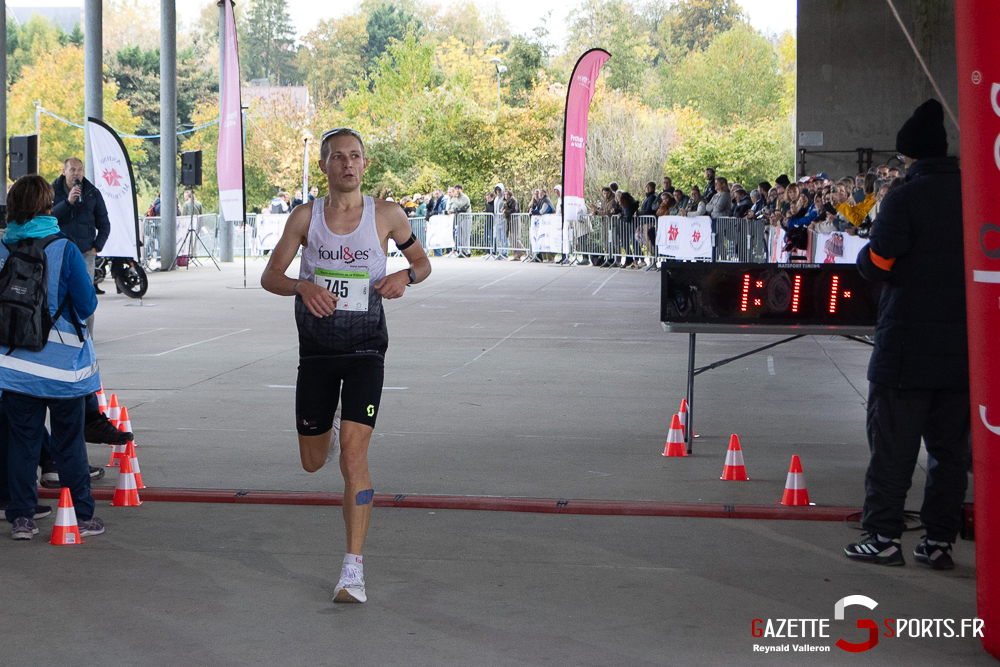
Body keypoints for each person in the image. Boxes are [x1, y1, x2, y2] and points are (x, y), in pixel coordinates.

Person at [261, 128, 431, 602]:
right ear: (324, 166)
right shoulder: (304, 218)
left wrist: (404, 275)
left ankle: (352, 569)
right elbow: (270, 275)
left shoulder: (388, 215)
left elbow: (422, 263)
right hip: (316, 351)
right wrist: (302, 287)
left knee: (355, 459)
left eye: (356, 156)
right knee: (314, 463)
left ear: (365, 164)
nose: (348, 164)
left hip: (365, 350)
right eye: (338, 157)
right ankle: (327, 432)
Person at [845, 99, 969, 570]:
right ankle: (939, 542)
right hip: (960, 353)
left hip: (905, 350)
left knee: (893, 450)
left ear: (909, 156)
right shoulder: (974, 193)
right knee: (949, 454)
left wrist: (863, 256)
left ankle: (883, 536)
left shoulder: (904, 198)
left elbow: (879, 265)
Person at [0, 174, 105, 540]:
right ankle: (82, 515)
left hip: (13, 368)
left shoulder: (3, 250)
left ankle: (22, 519)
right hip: (64, 371)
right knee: (69, 442)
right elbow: (87, 303)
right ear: (49, 206)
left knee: (22, 442)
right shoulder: (64, 248)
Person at [52, 157, 109, 301]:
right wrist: (67, 202)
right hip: (60, 252)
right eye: (72, 169)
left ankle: (85, 324)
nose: (76, 173)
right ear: (64, 171)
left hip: (85, 253)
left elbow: (104, 224)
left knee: (84, 297)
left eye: (80, 170)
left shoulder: (92, 193)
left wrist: (96, 247)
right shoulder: (52, 192)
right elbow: (49, 217)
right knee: (59, 295)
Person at [447, 184, 471, 258]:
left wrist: (454, 198)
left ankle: (467, 251)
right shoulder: (456, 198)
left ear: (461, 190)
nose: (457, 190)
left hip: (466, 218)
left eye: (458, 189)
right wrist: (451, 210)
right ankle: (461, 251)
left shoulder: (464, 197)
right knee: (460, 235)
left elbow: (459, 205)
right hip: (459, 219)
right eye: (456, 189)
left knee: (465, 236)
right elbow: (454, 207)